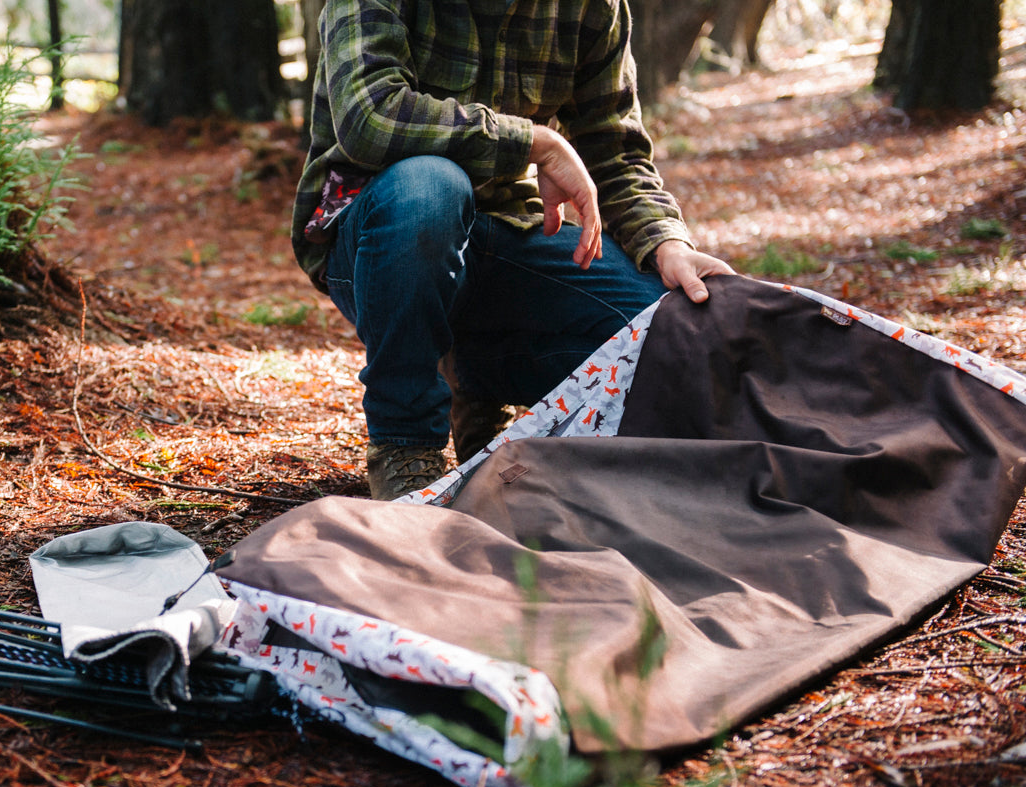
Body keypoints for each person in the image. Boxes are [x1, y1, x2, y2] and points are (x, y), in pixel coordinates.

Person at [291, 0, 734, 500]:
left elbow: (615, 150)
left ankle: (477, 378)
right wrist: (534, 143)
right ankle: (404, 444)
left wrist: (666, 241)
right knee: (431, 187)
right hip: (382, 232)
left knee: (660, 333)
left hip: (509, 233)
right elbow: (370, 115)